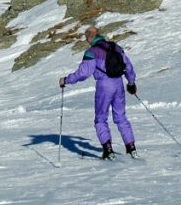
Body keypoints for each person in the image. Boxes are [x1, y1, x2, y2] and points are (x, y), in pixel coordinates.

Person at [59, 27, 138, 160]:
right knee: (121, 117)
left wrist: (66, 80)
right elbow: (128, 67)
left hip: (104, 85)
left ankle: (108, 151)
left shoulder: (92, 52)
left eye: (86, 37)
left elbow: (83, 74)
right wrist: (131, 83)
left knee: (101, 119)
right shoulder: (116, 47)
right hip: (118, 84)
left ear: (90, 37)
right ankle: (131, 148)